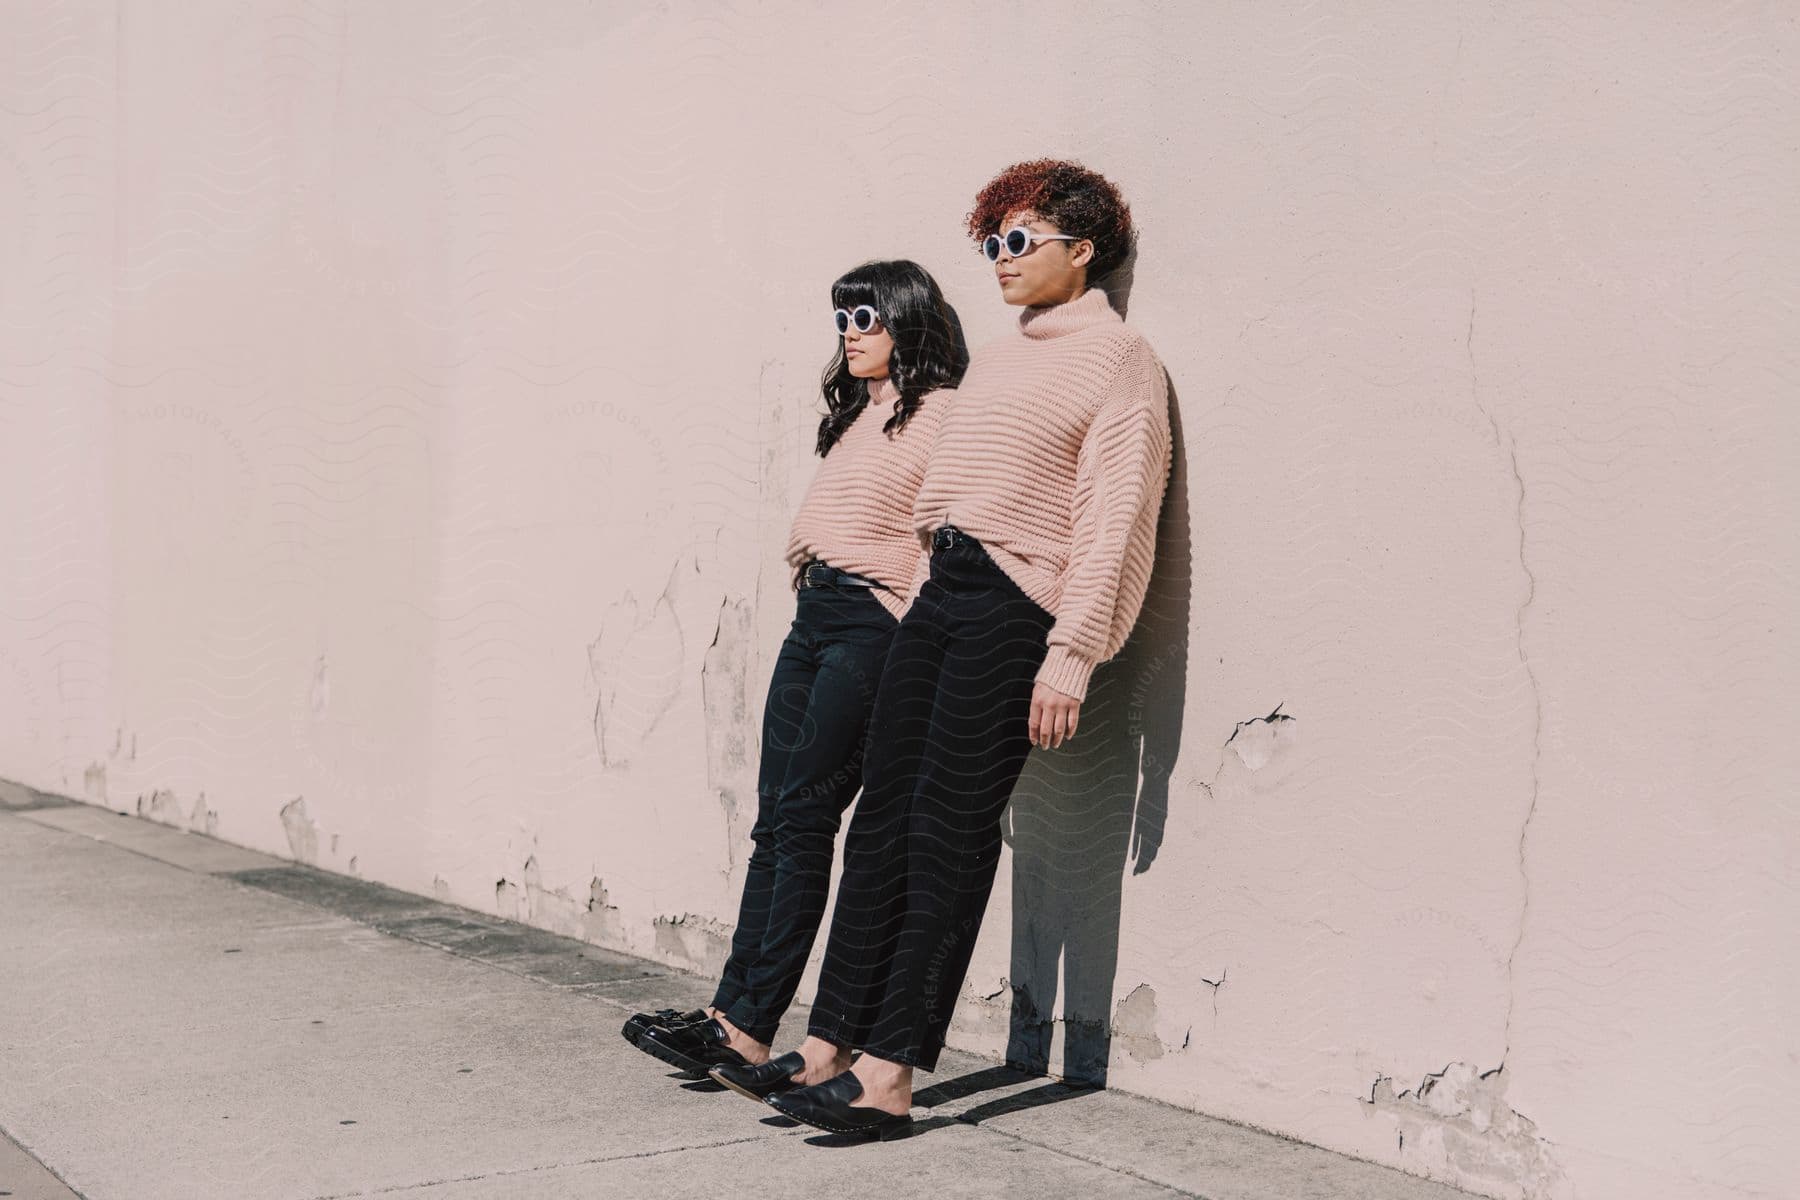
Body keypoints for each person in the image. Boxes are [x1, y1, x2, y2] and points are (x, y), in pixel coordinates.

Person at [733, 160, 1173, 1139]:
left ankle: (890, 1073)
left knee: (947, 831)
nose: (1000, 262)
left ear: (1082, 250)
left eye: (1019, 242)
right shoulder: (1005, 359)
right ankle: (829, 1043)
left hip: (1018, 603)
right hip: (942, 591)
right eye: (991, 244)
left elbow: (1116, 515)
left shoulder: (1119, 358)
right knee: (880, 819)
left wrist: (1074, 650)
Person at [621, 260, 966, 1084]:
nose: (851, 331)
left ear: (910, 320)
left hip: (872, 626)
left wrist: (909, 627)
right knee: (776, 818)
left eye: (868, 316)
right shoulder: (857, 413)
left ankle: (748, 1028)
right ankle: (729, 1016)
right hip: (816, 613)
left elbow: (947, 532)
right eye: (842, 316)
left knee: (807, 815)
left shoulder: (946, 414)